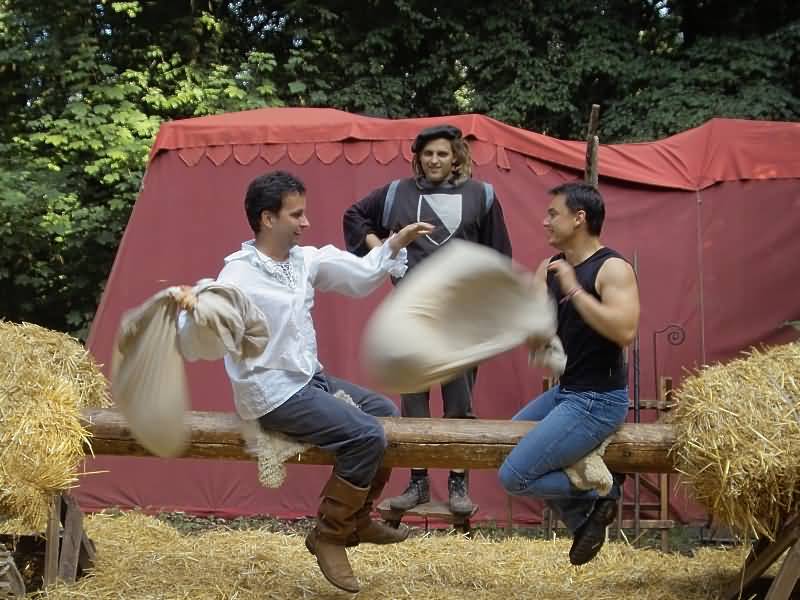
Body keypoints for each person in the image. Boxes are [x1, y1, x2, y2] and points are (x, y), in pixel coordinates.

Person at [179, 170, 434, 594]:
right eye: (296, 215)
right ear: (267, 219)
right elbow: (206, 339)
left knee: (385, 413)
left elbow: (358, 276)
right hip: (272, 393)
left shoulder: (304, 260)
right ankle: (329, 535)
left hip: (308, 379)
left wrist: (394, 244)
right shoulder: (237, 277)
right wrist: (198, 313)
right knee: (366, 435)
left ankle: (356, 517)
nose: (306, 222)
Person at [343, 124, 513, 516]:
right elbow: (355, 216)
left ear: (456, 157)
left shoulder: (482, 195)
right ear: (418, 158)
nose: (434, 160)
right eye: (428, 154)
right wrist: (383, 248)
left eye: (442, 153)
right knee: (414, 400)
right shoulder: (396, 193)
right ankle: (417, 483)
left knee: (459, 404)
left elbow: (499, 255)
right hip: (411, 314)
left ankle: (458, 485)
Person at [498, 181, 640, 566]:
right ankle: (584, 519)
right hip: (567, 391)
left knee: (514, 477)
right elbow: (536, 330)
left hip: (599, 400)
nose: (545, 221)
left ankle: (603, 493)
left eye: (552, 214)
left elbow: (625, 331)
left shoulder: (612, 268)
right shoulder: (550, 268)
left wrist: (575, 290)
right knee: (501, 443)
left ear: (579, 218)